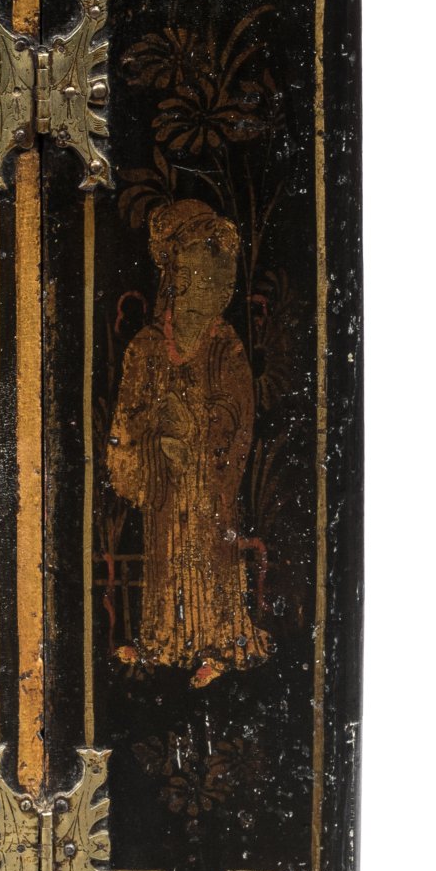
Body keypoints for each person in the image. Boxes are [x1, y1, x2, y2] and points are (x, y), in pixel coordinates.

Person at [105, 199, 269, 687]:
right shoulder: (147, 347)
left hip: (208, 482)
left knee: (210, 553)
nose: (214, 287)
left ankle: (221, 642)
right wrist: (156, 434)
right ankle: (163, 640)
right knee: (166, 558)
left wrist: (197, 428)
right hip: (166, 480)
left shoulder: (226, 346)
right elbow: (127, 416)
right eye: (201, 275)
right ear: (174, 276)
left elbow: (237, 414)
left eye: (222, 278)